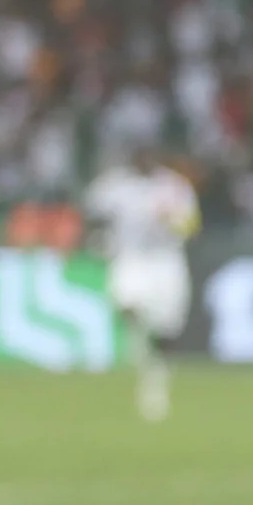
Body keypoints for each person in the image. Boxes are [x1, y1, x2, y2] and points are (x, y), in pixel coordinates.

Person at [83, 146, 200, 422]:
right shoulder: (115, 185)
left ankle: (156, 382)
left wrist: (171, 220)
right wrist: (100, 237)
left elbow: (192, 226)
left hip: (166, 260)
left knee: (167, 328)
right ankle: (137, 343)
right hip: (132, 257)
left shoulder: (173, 186)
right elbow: (92, 212)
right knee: (127, 302)